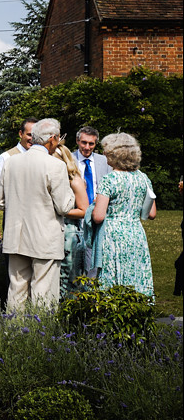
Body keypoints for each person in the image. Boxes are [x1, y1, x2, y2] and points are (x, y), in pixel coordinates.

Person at [0, 118, 76, 310]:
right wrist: (74, 190)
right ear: (52, 139)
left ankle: (13, 334)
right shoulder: (55, 166)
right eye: (58, 139)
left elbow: (0, 201)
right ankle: (42, 334)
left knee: (16, 289)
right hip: (44, 237)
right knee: (44, 290)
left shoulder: (11, 162)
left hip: (16, 236)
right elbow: (64, 206)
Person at [91, 133, 156, 297]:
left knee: (114, 275)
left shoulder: (109, 180)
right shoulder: (143, 178)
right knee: (136, 272)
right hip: (136, 233)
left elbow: (98, 216)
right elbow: (152, 213)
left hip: (113, 236)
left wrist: (92, 207)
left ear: (115, 154)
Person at [0, 117, 37, 241]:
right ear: (21, 134)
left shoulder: (41, 158)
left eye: (35, 135)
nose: (32, 139)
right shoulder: (6, 158)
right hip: (13, 219)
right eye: (29, 135)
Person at [73, 126, 112, 277]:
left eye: (91, 144)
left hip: (97, 216)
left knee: (94, 262)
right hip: (74, 216)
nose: (87, 147)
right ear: (77, 141)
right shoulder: (68, 159)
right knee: (73, 264)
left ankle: (91, 295)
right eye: (84, 143)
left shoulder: (104, 161)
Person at [52, 144, 90, 297]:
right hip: (54, 231)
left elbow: (84, 210)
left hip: (70, 233)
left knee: (68, 277)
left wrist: (61, 211)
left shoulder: (75, 181)